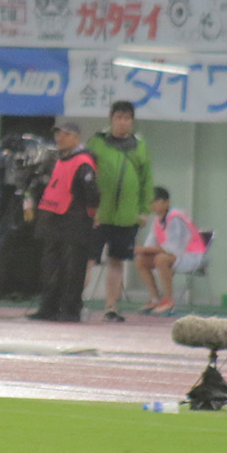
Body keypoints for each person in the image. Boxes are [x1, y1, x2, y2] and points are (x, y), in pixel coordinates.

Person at [86, 100, 154, 323]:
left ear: (132, 121)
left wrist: (143, 211)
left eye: (127, 118)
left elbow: (146, 180)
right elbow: (86, 174)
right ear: (111, 119)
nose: (123, 122)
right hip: (99, 215)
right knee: (87, 260)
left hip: (127, 217)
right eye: (119, 117)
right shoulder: (97, 142)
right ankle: (72, 302)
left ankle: (111, 307)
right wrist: (87, 207)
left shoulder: (140, 147)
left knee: (116, 262)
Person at [28, 121, 99, 322]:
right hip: (53, 221)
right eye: (58, 134)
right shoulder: (59, 159)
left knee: (72, 268)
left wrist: (89, 215)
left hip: (73, 222)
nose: (60, 138)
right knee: (51, 267)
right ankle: (48, 308)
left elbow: (92, 194)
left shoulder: (83, 161)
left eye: (66, 134)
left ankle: (70, 310)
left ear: (76, 138)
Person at [134, 186, 207, 316]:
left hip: (192, 256)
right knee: (141, 260)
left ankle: (168, 300)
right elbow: (149, 245)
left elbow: (173, 249)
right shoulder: (157, 222)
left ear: (166, 202)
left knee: (161, 259)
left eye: (154, 202)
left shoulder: (175, 218)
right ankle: (155, 299)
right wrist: (140, 251)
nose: (151, 206)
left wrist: (142, 249)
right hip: (177, 256)